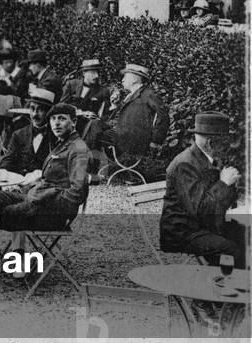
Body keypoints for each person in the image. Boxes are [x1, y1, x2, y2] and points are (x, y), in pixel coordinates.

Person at [0, 104, 90, 261]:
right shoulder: (63, 143)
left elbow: (77, 192)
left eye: (62, 119)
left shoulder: (78, 149)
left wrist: (45, 197)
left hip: (52, 214)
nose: (56, 123)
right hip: (38, 201)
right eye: (53, 119)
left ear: (74, 122)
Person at [160, 112, 244, 267]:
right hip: (182, 232)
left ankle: (234, 284)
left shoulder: (206, 159)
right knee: (230, 248)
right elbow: (201, 211)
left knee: (246, 234)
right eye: (225, 140)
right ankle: (229, 287)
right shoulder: (185, 165)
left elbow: (218, 205)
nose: (228, 146)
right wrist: (224, 183)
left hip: (202, 226)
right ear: (211, 142)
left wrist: (231, 187)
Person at [95, 63, 169, 161]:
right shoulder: (130, 95)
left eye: (125, 76)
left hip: (133, 138)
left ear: (134, 80)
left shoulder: (148, 94)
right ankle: (97, 164)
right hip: (122, 133)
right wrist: (114, 106)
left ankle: (91, 166)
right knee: (91, 125)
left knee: (93, 130)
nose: (122, 80)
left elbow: (163, 117)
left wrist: (156, 141)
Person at [0, 89, 56, 174]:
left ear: (48, 112)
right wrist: (2, 172)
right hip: (21, 182)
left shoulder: (56, 136)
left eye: (40, 110)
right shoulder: (19, 134)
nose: (35, 114)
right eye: (32, 109)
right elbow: (8, 160)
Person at [61, 59, 110, 146]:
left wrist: (97, 117)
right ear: (84, 73)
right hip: (69, 122)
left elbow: (105, 116)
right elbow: (61, 106)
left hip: (88, 127)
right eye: (92, 73)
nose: (96, 76)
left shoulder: (103, 91)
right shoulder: (71, 85)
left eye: (98, 73)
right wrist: (80, 113)